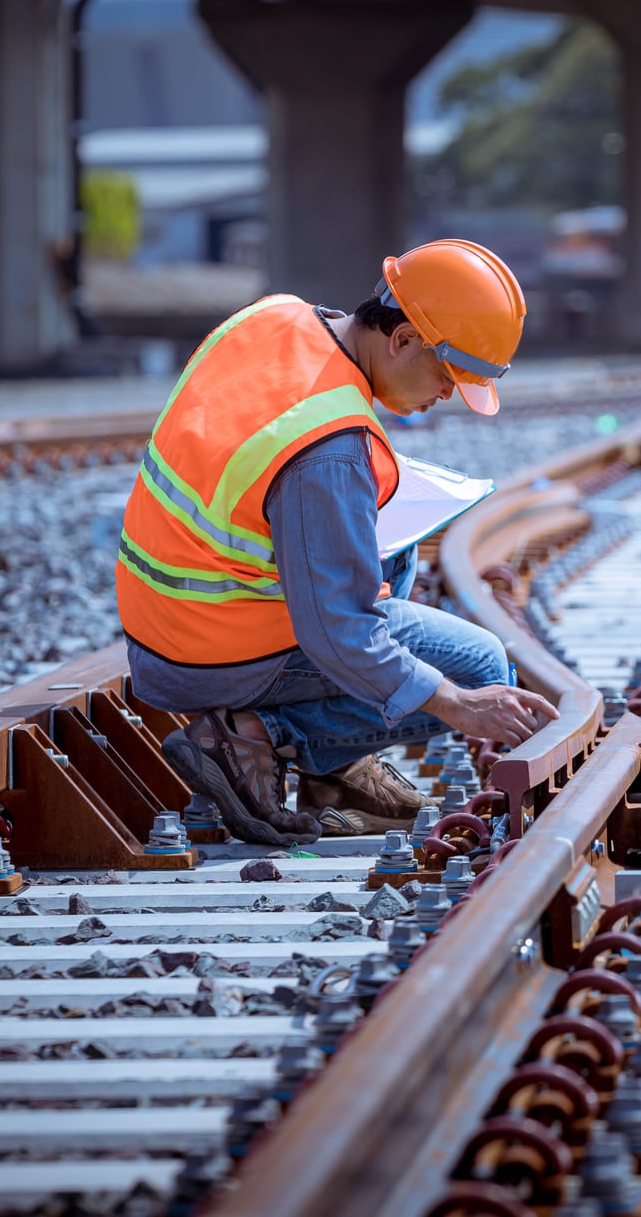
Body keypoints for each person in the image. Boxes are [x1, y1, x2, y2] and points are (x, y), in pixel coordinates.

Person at [115, 239, 559, 845]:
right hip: (210, 650)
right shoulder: (329, 450)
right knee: (480, 667)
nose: (448, 395)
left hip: (164, 618)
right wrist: (456, 702)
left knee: (391, 543)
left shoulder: (274, 315)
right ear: (401, 339)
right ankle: (254, 736)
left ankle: (331, 774)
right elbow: (338, 632)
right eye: (448, 375)